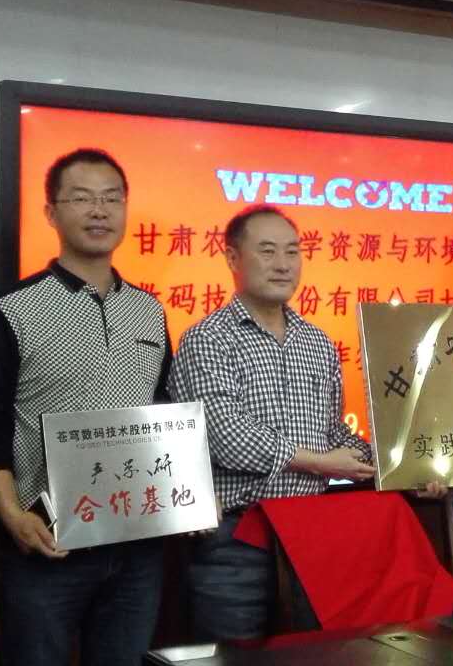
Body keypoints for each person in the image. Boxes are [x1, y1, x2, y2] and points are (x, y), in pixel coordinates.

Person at [0, 149, 172, 666]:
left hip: (136, 546)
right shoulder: (9, 310)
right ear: (50, 213)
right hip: (45, 542)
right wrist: (11, 514)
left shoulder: (149, 310)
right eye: (81, 198)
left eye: (111, 199)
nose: (99, 210)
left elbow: (162, 413)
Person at [167, 205, 377, 641]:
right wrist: (319, 463)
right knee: (232, 657)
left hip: (311, 537)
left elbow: (332, 432)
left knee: (309, 654)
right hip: (235, 540)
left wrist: (395, 463)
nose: (283, 264)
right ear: (232, 258)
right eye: (267, 251)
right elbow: (225, 435)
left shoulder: (317, 342)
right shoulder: (208, 339)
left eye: (292, 251)